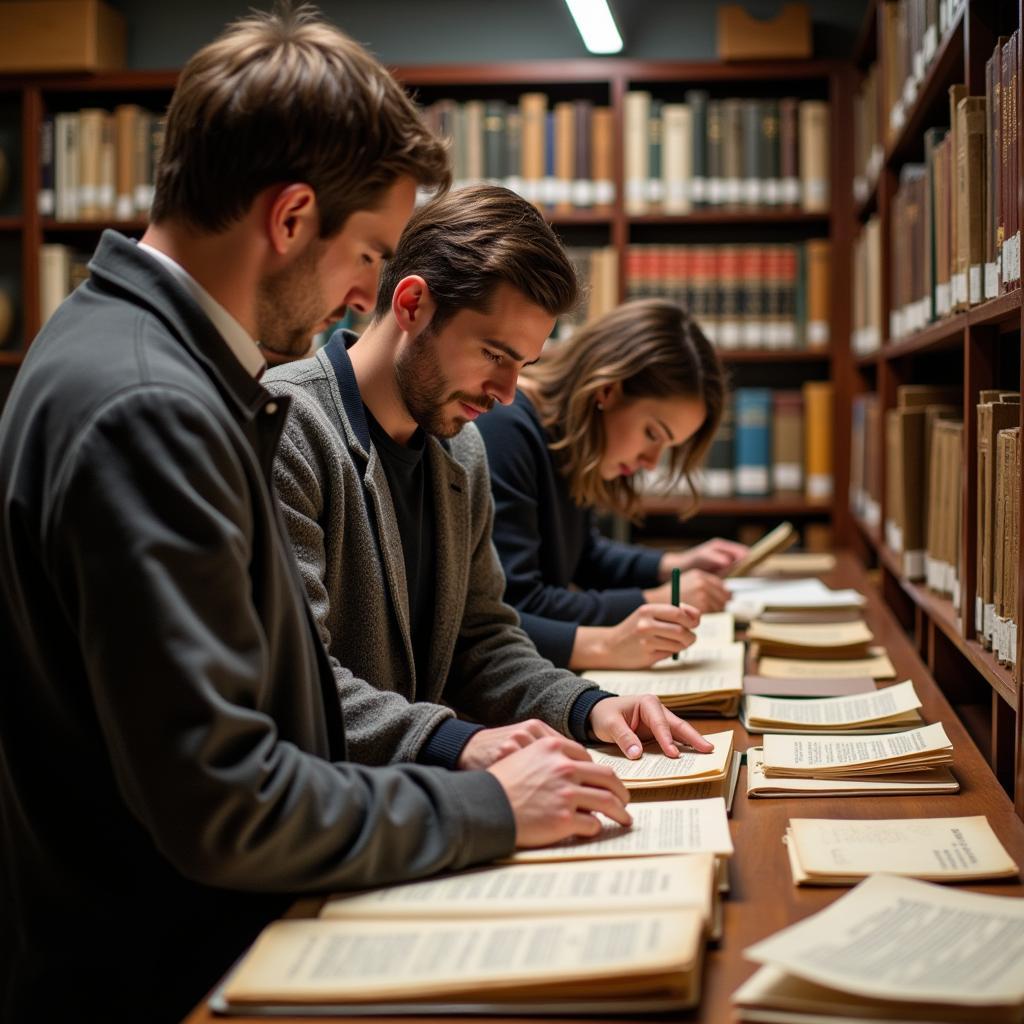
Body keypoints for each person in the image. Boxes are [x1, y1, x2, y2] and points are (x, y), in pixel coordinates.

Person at [0, 10, 632, 1023]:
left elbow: (278, 698)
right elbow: (227, 800)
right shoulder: (148, 404)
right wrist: (486, 803)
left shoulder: (139, 359)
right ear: (291, 218)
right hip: (165, 975)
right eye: (371, 252)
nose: (363, 295)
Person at [265, 184, 714, 773]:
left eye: (521, 366)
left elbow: (480, 639)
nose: (506, 395)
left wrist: (586, 705)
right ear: (412, 305)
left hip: (417, 794)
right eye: (493, 355)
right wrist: (462, 744)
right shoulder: (286, 428)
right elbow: (302, 682)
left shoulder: (462, 450)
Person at [477, 298, 745, 670]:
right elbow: (518, 605)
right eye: (652, 434)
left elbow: (584, 556)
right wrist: (656, 598)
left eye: (667, 448)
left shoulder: (568, 436)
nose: (651, 463)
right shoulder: (506, 429)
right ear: (607, 390)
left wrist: (673, 566)